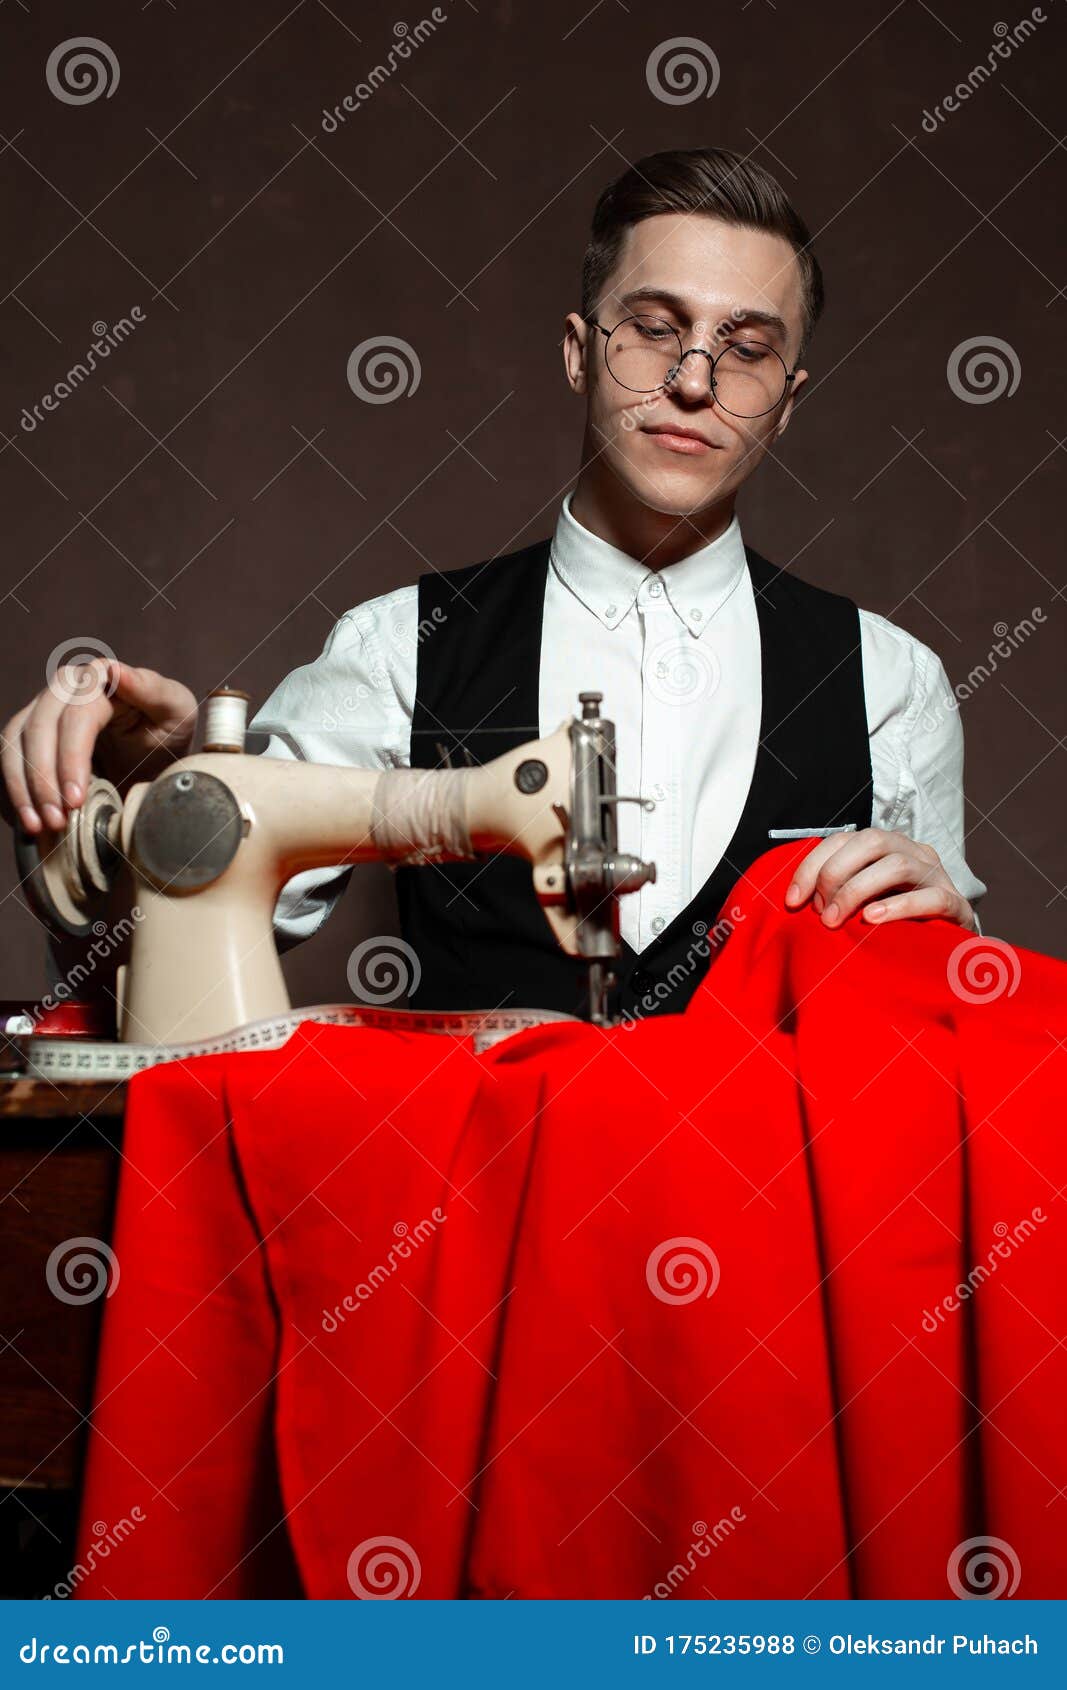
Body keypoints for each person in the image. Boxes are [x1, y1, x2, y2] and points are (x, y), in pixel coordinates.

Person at [1, 147, 985, 1019]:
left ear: (785, 402)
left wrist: (946, 933)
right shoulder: (395, 653)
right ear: (575, 353)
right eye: (652, 326)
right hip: (468, 1216)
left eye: (745, 349)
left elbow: (955, 1043)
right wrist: (149, 801)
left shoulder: (890, 684)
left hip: (767, 1222)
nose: (692, 379)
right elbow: (137, 967)